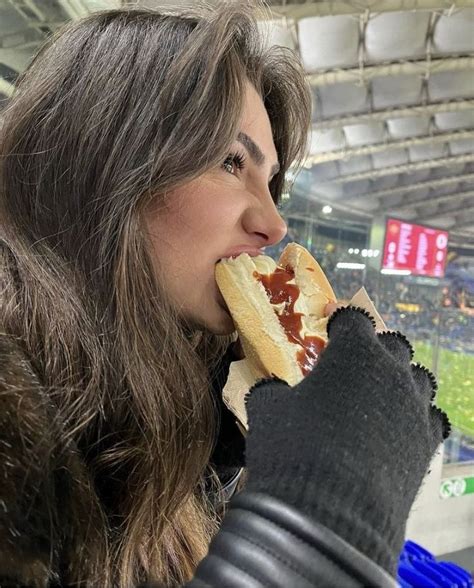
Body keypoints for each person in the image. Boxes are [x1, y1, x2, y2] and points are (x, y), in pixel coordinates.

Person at [0, 4, 450, 587]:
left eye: (270, 182)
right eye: (229, 160)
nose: (273, 224)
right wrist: (317, 525)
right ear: (98, 160)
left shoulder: (170, 406)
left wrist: (219, 450)